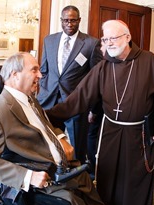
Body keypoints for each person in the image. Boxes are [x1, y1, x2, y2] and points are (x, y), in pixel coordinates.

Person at [0, 52, 140, 205]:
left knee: (84, 178)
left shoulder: (29, 99)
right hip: (38, 174)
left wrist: (60, 137)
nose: (40, 75)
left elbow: (45, 125)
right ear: (15, 75)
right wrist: (28, 176)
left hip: (56, 164)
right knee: (69, 199)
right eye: (34, 70)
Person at [46, 20, 154, 205]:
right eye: (105, 39)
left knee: (135, 175)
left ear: (127, 37)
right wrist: (46, 116)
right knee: (108, 172)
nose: (109, 43)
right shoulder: (103, 66)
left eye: (113, 38)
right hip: (110, 129)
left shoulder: (148, 60)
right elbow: (79, 97)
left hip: (137, 130)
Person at [37, 5, 103, 164]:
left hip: (76, 104)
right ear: (61, 21)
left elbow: (95, 79)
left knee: (77, 149)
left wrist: (93, 108)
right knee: (49, 144)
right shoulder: (49, 40)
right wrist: (43, 92)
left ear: (79, 21)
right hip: (49, 102)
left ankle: (77, 181)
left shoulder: (91, 43)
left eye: (73, 21)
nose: (69, 24)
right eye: (66, 20)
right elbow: (44, 70)